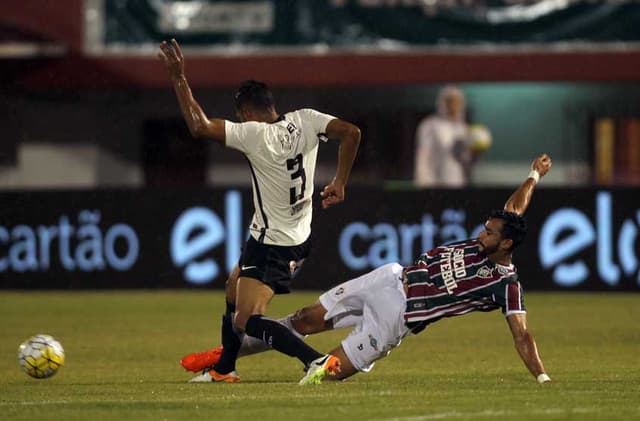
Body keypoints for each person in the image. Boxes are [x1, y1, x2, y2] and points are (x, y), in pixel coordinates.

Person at [182, 154, 553, 384]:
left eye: (489, 233)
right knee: (306, 318)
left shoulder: (506, 286)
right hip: (391, 278)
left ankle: (238, 354)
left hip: (399, 317)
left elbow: (522, 335)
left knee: (331, 373)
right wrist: (534, 175)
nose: (480, 234)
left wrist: (541, 375)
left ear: (506, 244)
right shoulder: (489, 240)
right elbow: (514, 208)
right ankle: (226, 354)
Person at [158, 39, 361, 385]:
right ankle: (224, 368)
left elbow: (198, 125)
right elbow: (352, 133)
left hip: (273, 244)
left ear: (247, 114)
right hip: (295, 235)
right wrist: (340, 181)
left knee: (247, 319)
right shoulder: (307, 120)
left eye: (240, 116)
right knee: (233, 286)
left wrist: (179, 77)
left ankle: (317, 361)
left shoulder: (255, 135)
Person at [414, 85, 485, 187]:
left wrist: (475, 153)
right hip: (434, 186)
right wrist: (424, 185)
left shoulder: (463, 128)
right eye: (450, 102)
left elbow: (464, 160)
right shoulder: (429, 125)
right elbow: (423, 159)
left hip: (457, 185)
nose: (453, 106)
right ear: (442, 103)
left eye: (457, 102)